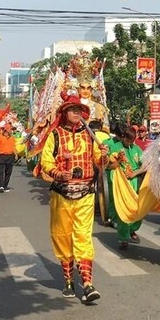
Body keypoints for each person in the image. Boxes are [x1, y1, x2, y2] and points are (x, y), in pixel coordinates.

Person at [39, 94, 109, 303]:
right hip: (61, 194)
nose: (76, 113)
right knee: (62, 236)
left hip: (85, 194)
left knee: (83, 237)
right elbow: (46, 162)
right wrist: (58, 173)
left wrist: (104, 155)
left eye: (79, 109)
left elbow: (99, 161)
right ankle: (68, 280)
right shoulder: (56, 135)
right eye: (72, 109)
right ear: (64, 113)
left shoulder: (91, 135)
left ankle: (87, 284)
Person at [107, 126, 144, 249]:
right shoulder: (115, 147)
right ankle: (123, 238)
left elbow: (144, 166)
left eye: (132, 141)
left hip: (134, 182)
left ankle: (132, 229)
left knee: (138, 209)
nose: (130, 144)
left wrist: (134, 173)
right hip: (120, 183)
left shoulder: (137, 149)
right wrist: (118, 160)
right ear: (123, 137)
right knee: (122, 211)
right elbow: (109, 166)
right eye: (128, 141)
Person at [0, 124, 16, 192]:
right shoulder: (0, 137)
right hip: (2, 156)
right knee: (1, 171)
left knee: (8, 172)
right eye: (10, 129)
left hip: (10, 156)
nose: (11, 130)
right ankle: (1, 186)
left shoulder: (12, 138)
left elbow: (13, 147)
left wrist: (15, 154)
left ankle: (5, 186)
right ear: (7, 129)